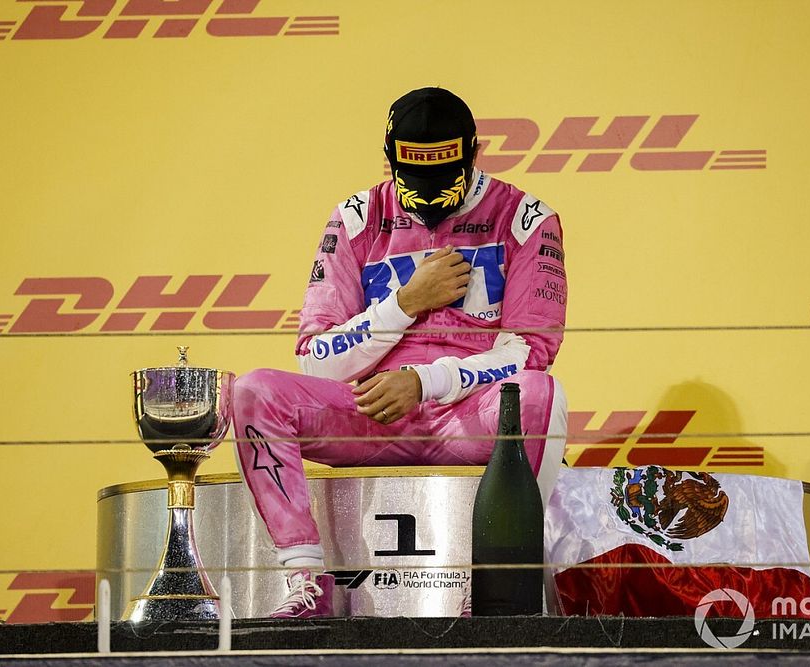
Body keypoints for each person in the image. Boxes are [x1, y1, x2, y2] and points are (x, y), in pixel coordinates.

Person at [232, 87, 568, 618]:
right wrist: (404, 303)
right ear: (390, 157)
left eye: (445, 174)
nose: (431, 195)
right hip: (371, 414)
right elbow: (316, 358)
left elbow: (531, 351)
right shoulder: (357, 218)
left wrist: (424, 380)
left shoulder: (527, 219)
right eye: (415, 176)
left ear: (474, 152)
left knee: (537, 394)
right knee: (254, 390)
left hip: (465, 414)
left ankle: (499, 591)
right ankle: (305, 583)